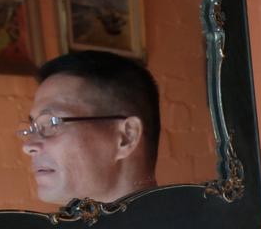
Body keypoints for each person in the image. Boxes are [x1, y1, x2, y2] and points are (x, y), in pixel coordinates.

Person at [21, 50, 160, 205]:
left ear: (126, 137)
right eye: (32, 128)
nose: (28, 146)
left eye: (51, 123)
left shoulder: (185, 228)